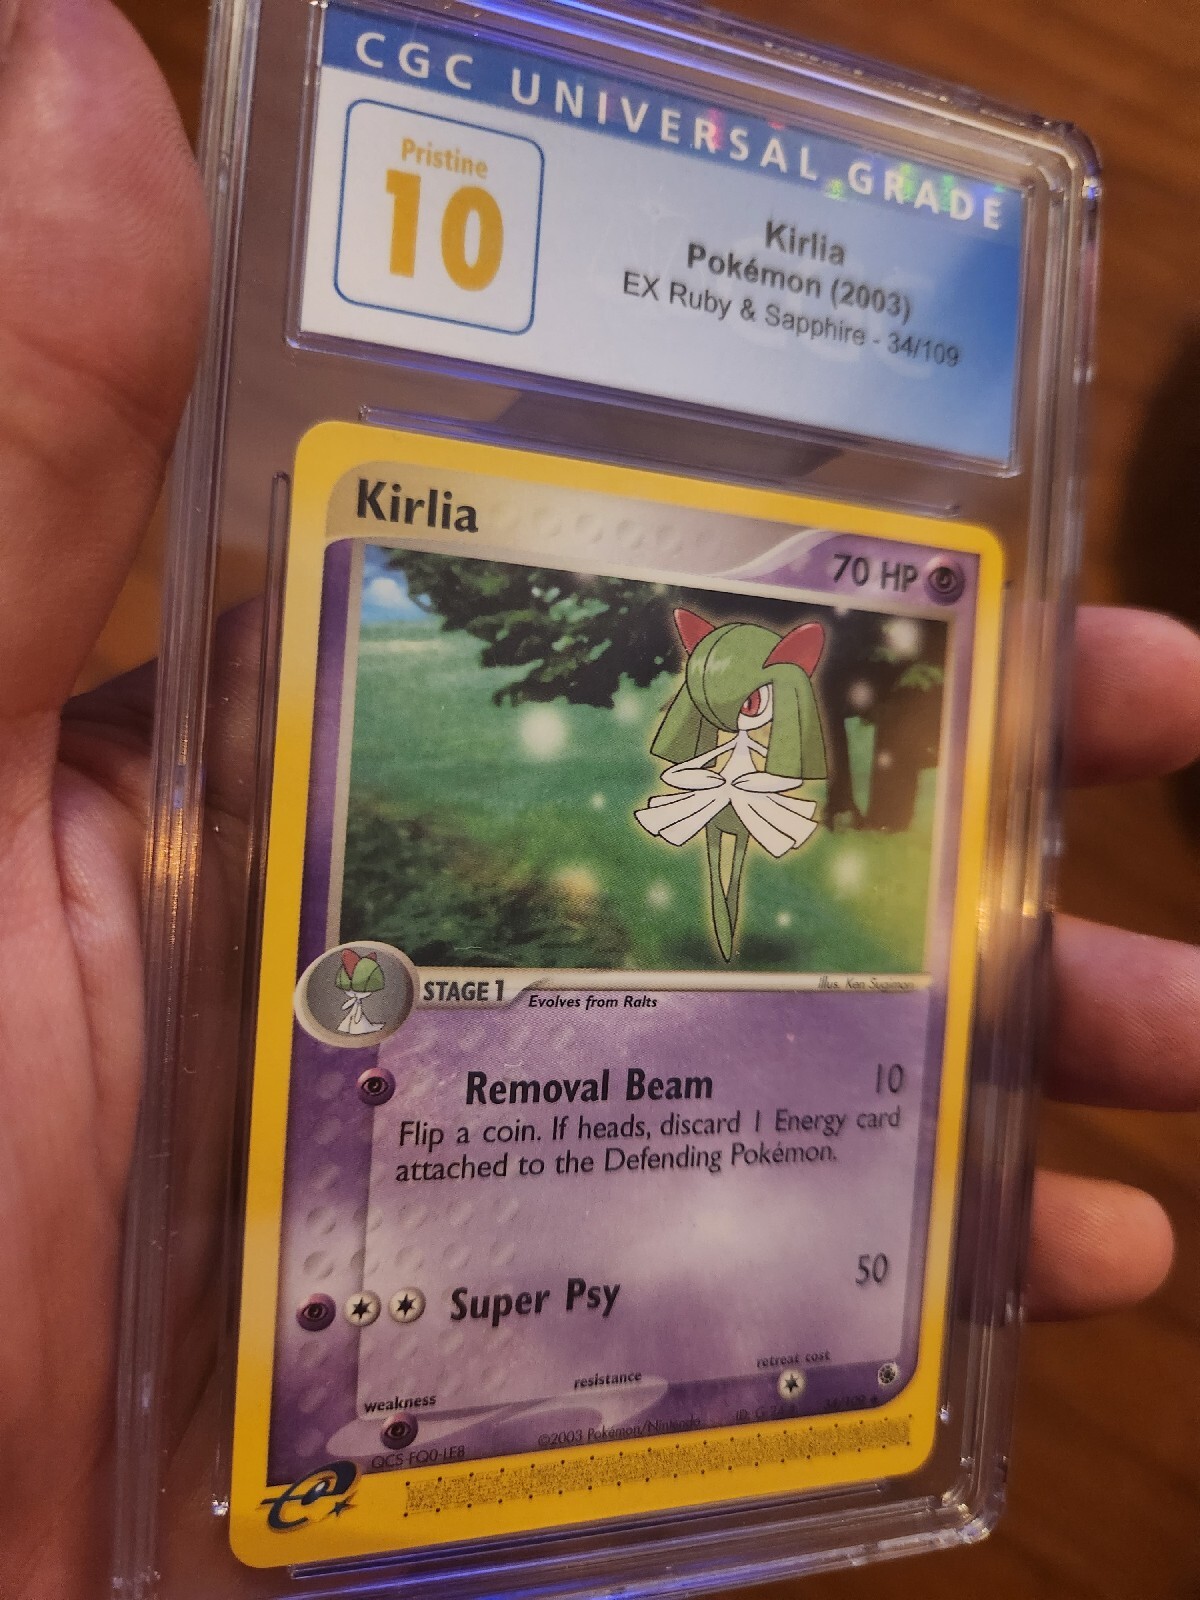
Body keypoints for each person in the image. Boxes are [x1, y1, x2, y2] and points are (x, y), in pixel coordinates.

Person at [1, 0, 1197, 1593]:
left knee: (762, 909)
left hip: (743, 843)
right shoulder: (702, 678)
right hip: (277, 1362)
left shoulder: (778, 682)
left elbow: (772, 721)